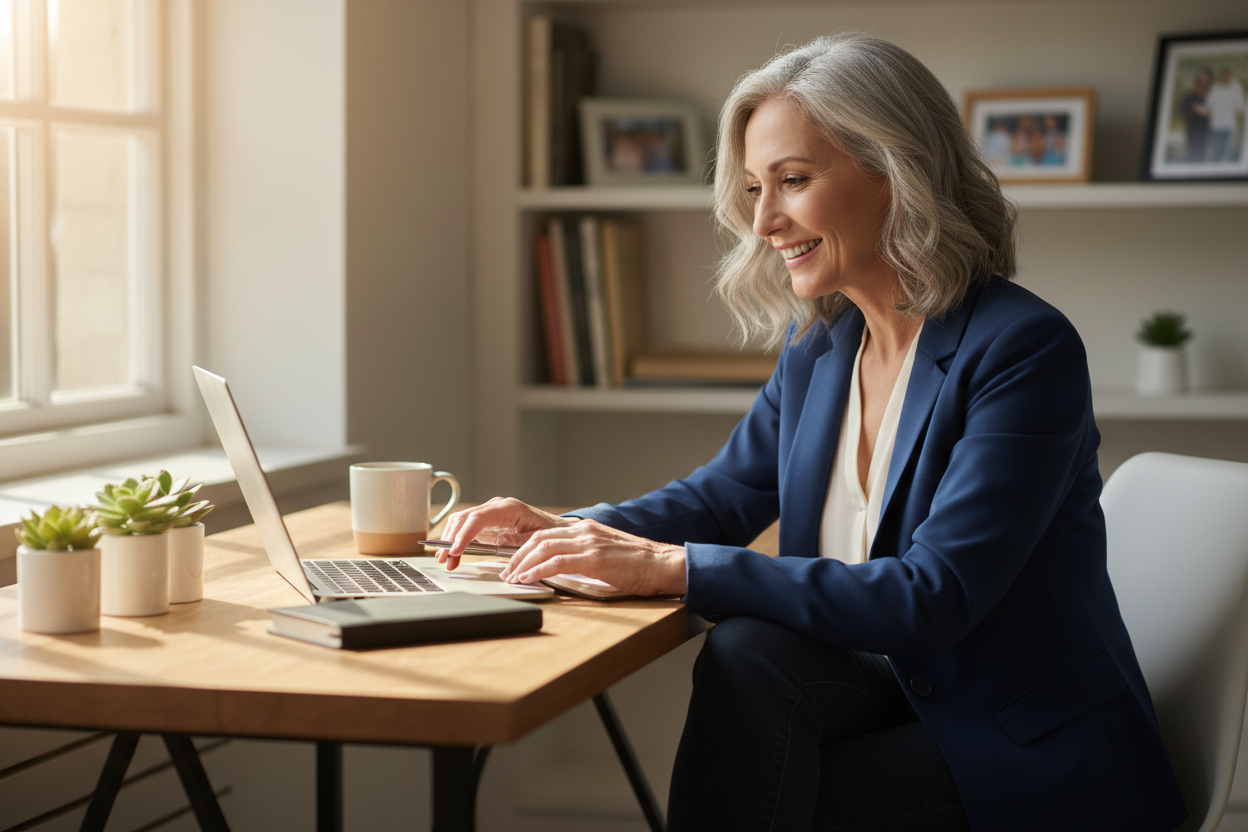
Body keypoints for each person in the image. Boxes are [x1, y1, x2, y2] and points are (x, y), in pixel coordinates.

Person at [440, 33, 1188, 832]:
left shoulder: (1023, 350)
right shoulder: (822, 346)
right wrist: (564, 532)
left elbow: (932, 598)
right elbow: (722, 496)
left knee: (778, 795)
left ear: (897, 170)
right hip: (898, 698)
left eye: (792, 181)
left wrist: (673, 570)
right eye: (756, 188)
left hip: (1022, 739)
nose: (763, 220)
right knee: (748, 657)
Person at [1208, 66, 1246, 164]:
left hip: (1229, 126)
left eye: (1227, 75)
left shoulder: (1236, 88)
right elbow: (1208, 105)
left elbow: (1241, 108)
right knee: (1215, 155)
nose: (1225, 77)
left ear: (1231, 76)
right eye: (1223, 75)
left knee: (1227, 155)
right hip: (1216, 126)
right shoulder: (1215, 88)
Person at [1179, 67, 1213, 162]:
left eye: (1206, 80)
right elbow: (1182, 116)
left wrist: (1206, 112)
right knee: (1192, 158)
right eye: (1200, 80)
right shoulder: (1189, 98)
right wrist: (1194, 110)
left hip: (1208, 135)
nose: (1202, 83)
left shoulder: (1212, 97)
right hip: (1193, 133)